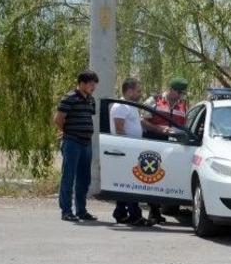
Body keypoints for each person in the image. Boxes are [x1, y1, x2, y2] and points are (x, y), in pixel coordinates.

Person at [53, 70, 99, 222]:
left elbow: (87, 117)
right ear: (82, 83)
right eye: (90, 84)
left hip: (86, 143)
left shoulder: (91, 100)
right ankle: (66, 211)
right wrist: (66, 132)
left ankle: (81, 210)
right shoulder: (69, 97)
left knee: (84, 179)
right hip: (72, 143)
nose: (93, 87)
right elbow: (58, 119)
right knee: (68, 177)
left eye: (94, 84)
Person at [142, 76, 189, 224]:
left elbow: (185, 126)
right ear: (171, 90)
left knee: (164, 178)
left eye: (183, 93)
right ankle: (153, 210)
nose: (181, 96)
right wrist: (159, 129)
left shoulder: (183, 106)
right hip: (154, 142)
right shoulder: (154, 101)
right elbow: (143, 121)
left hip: (173, 147)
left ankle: (156, 211)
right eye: (179, 92)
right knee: (152, 178)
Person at [109, 78, 153, 226]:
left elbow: (138, 123)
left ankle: (120, 213)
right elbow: (119, 129)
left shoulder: (130, 106)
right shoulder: (121, 106)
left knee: (126, 183)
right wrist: (129, 149)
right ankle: (135, 216)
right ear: (129, 91)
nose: (140, 93)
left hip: (130, 150)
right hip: (126, 151)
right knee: (131, 185)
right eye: (138, 91)